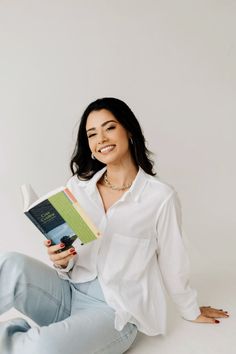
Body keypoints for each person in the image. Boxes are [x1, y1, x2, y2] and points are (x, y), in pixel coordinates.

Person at [0, 97, 229, 354]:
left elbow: (172, 262)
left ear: (128, 130)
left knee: (42, 348)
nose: (101, 139)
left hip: (115, 313)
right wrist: (61, 260)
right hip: (68, 292)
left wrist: (191, 309)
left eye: (109, 127)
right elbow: (74, 253)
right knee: (9, 264)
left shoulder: (160, 197)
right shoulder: (78, 187)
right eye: (92, 134)